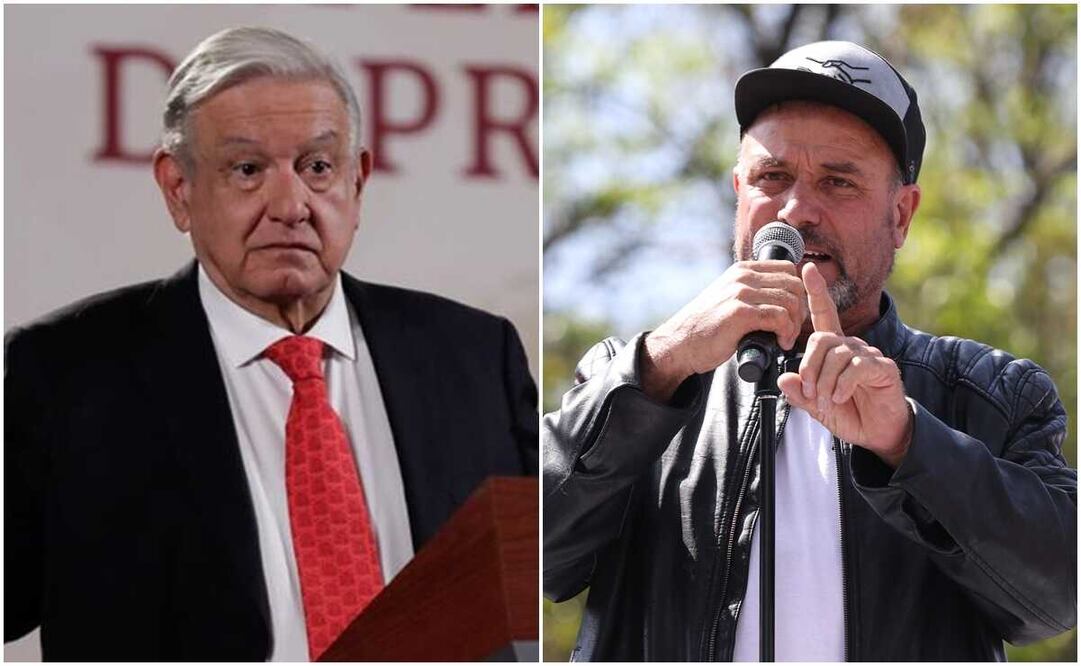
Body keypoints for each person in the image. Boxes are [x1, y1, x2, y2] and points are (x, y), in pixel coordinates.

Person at [5, 27, 537, 661]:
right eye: (248, 170)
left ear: (358, 181)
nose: (291, 205)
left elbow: (542, 580)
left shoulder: (476, 356)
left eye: (317, 167)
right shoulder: (63, 374)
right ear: (179, 189)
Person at [543, 40, 1075, 661]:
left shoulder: (992, 394)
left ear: (901, 216)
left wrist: (906, 442)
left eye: (839, 182)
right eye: (773, 177)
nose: (797, 211)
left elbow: (1057, 598)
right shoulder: (637, 377)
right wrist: (658, 365)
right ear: (739, 192)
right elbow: (524, 562)